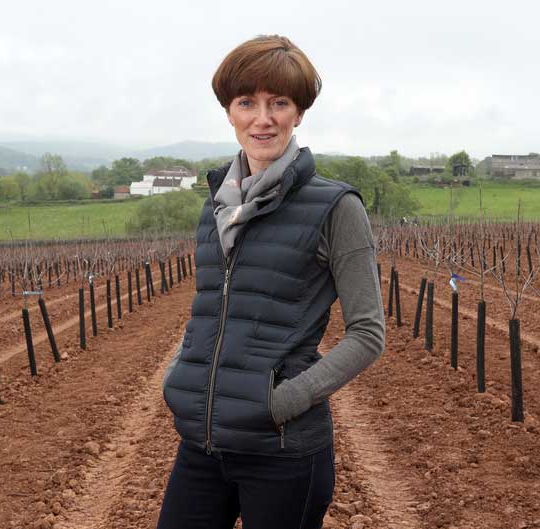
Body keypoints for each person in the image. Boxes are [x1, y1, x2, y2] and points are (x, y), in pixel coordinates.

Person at [157, 35, 385, 529]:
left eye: (278, 103)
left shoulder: (336, 207)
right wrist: (180, 374)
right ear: (229, 112)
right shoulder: (216, 203)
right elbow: (211, 309)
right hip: (203, 445)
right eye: (247, 103)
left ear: (298, 113)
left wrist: (281, 401)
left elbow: (368, 334)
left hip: (282, 452)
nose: (263, 118)